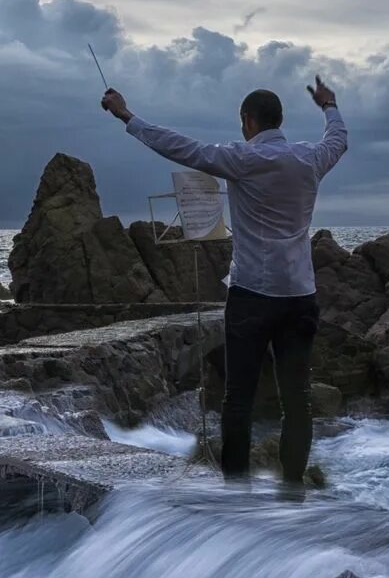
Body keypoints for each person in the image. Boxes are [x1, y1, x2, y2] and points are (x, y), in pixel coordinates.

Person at [101, 78, 348, 484]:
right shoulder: (311, 158)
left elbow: (178, 145)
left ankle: (236, 493)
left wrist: (126, 115)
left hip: (251, 296)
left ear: (247, 121)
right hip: (300, 295)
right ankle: (292, 489)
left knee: (239, 399)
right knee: (297, 399)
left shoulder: (241, 159)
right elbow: (338, 138)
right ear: (279, 120)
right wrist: (329, 105)